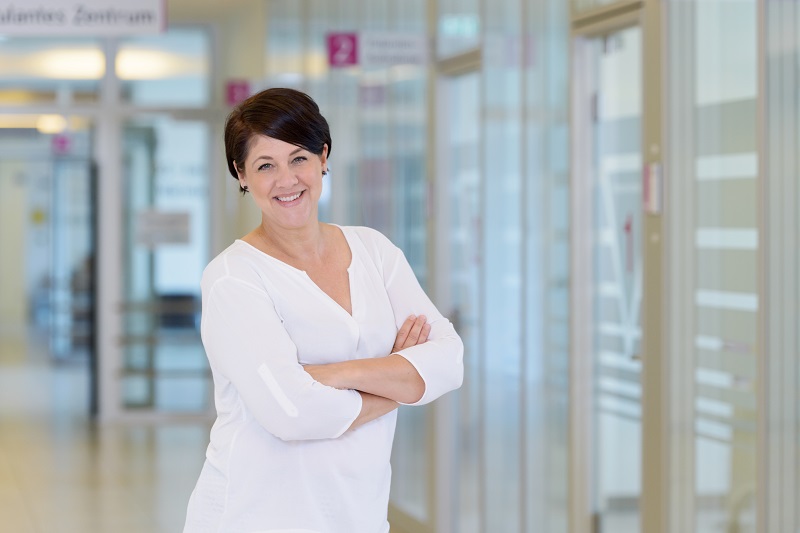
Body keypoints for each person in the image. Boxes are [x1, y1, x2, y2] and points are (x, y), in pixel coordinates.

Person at [183, 87, 464, 533]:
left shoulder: (373, 250)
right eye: (265, 166)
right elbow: (293, 414)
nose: (287, 179)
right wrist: (402, 379)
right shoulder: (233, 278)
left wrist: (330, 374)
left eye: (299, 158)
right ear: (241, 174)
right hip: (256, 516)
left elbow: (448, 361)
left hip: (359, 513)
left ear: (323, 157)